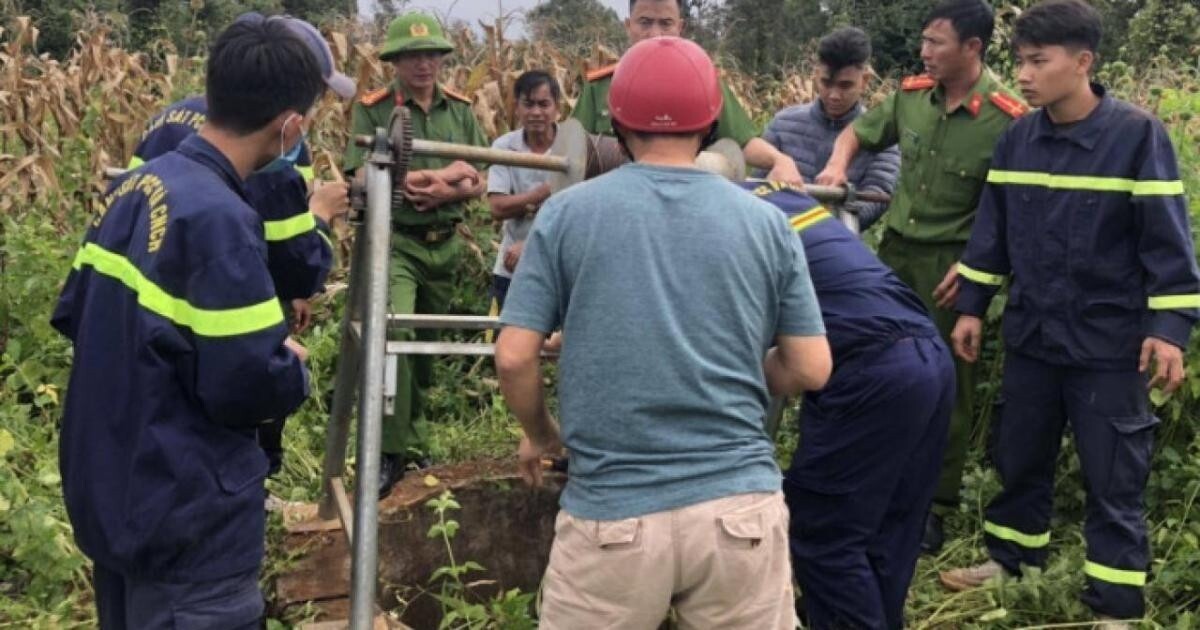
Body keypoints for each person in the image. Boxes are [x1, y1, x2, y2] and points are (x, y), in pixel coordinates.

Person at [495, 37, 831, 629]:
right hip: (739, 517)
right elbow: (810, 367)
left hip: (612, 520)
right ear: (710, 123)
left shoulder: (568, 215)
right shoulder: (765, 223)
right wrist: (726, 374)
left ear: (616, 120)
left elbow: (516, 356)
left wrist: (543, 434)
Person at [51, 14, 322, 627]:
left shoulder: (137, 186)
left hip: (113, 495)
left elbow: (77, 317)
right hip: (186, 522)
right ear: (291, 127)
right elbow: (245, 387)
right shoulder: (222, 224)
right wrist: (293, 370)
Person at [938, 1, 1198, 624]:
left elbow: (1167, 244)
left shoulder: (1135, 137)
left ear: (1082, 63)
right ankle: (1011, 558)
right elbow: (992, 235)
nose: (1023, 75)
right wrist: (972, 305)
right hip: (1033, 335)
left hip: (1110, 344)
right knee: (1019, 454)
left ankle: (1115, 606)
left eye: (1037, 61)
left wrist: (1169, 332)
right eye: (1020, 61)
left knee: (1115, 478)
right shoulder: (1018, 138)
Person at [815, 0, 1027, 553]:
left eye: (936, 43)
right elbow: (858, 133)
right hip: (895, 259)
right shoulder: (911, 98)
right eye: (925, 41)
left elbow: (1014, 203)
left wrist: (978, 261)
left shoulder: (1007, 118)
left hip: (953, 269)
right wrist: (839, 164)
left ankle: (934, 502)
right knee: (871, 365)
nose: (924, 52)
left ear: (973, 49)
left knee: (947, 384)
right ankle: (873, 477)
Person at [129, 16, 354, 477]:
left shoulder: (165, 124)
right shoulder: (270, 150)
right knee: (241, 438)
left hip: (145, 373)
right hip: (236, 321)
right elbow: (295, 264)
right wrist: (322, 216)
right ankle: (261, 481)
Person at [740, 179, 952, 629]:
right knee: (887, 529)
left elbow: (788, 365)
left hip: (867, 368)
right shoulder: (775, 194)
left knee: (824, 533)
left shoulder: (722, 224)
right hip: (927, 356)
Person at [342, 11, 489, 497]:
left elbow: (482, 176)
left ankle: (417, 439)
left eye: (431, 55)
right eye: (412, 55)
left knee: (424, 349)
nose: (423, 64)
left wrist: (443, 190)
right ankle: (388, 451)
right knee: (396, 332)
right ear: (396, 61)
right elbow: (360, 174)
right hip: (397, 242)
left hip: (443, 244)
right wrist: (438, 178)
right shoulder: (374, 108)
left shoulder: (461, 110)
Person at [572, 0, 803, 185]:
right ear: (628, 25)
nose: (655, 34)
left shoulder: (704, 82)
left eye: (666, 23)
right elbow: (574, 151)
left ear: (680, 27)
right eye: (645, 22)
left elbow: (744, 142)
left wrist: (780, 161)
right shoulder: (600, 87)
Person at [761, 27, 900, 231]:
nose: (834, 95)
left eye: (845, 86)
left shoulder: (881, 137)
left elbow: (877, 195)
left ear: (865, 81)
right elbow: (757, 184)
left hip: (839, 245)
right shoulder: (783, 124)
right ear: (816, 75)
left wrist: (824, 228)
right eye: (827, 83)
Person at [486, 70, 560, 313]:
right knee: (508, 340)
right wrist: (543, 193)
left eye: (543, 104)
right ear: (516, 108)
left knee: (556, 345)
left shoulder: (574, 147)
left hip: (559, 265)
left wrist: (530, 245)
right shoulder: (504, 147)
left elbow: (578, 215)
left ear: (557, 107)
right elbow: (497, 207)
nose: (536, 112)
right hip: (511, 265)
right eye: (528, 104)